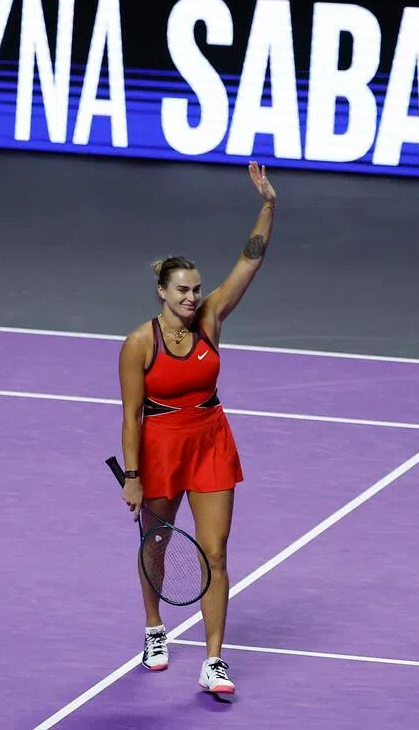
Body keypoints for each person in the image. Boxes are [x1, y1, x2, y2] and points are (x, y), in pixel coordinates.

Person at [116, 160, 277, 694]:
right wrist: (133, 476)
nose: (191, 298)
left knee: (216, 551)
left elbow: (248, 264)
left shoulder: (210, 320)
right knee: (155, 544)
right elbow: (131, 415)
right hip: (160, 448)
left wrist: (267, 205)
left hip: (210, 441)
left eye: (196, 289)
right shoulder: (140, 343)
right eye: (182, 291)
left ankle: (214, 660)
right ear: (162, 291)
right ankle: (155, 628)